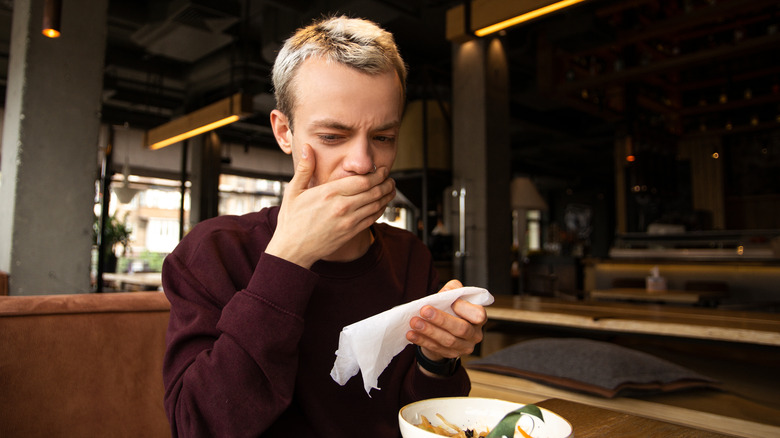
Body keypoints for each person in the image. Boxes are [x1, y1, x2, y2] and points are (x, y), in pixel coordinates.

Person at [162, 15, 488, 437]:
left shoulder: (409, 257)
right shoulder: (213, 253)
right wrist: (288, 259)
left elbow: (423, 419)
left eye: (384, 137)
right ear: (285, 132)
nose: (363, 162)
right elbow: (196, 427)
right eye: (334, 136)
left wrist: (437, 358)